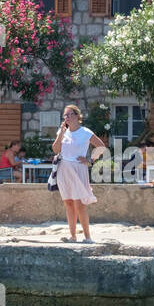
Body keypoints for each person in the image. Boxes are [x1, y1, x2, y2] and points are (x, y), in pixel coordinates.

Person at [52, 104, 106, 243]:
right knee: (68, 203)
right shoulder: (63, 131)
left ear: (77, 116)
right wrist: (61, 133)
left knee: (79, 204)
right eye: (65, 115)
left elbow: (101, 147)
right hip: (63, 168)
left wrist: (90, 160)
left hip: (78, 168)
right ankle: (73, 236)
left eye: (70, 114)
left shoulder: (86, 132)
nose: (67, 117)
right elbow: (56, 149)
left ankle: (87, 237)